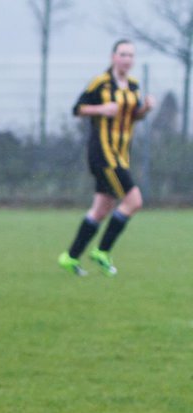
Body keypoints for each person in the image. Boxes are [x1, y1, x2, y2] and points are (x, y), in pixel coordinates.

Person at [58, 39, 154, 277]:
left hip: (121, 154)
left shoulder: (133, 86)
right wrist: (100, 109)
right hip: (103, 153)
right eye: (123, 54)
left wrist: (145, 110)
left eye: (131, 55)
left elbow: (133, 117)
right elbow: (77, 108)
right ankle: (102, 251)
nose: (127, 59)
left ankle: (70, 257)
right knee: (134, 201)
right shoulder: (100, 83)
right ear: (113, 57)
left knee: (101, 209)